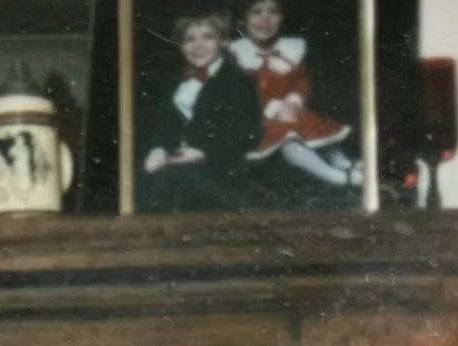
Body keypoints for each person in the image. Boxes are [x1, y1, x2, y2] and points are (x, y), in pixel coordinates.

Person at [230, 0, 364, 193]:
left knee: (314, 129)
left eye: (273, 12)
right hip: (257, 118)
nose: (265, 19)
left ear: (281, 18)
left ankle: (344, 164)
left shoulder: (291, 49)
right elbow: (240, 92)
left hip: (290, 112)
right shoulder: (236, 53)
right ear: (243, 19)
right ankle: (337, 177)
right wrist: (272, 108)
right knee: (289, 140)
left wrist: (293, 100)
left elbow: (301, 80)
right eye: (256, 12)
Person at [139, 12, 264, 213]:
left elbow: (246, 134)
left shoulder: (238, 82)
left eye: (208, 37)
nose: (198, 46)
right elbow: (165, 123)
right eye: (190, 39)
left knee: (176, 183)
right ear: (181, 45)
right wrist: (158, 149)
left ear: (222, 42)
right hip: (177, 160)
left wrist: (202, 153)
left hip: (221, 168)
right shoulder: (175, 79)